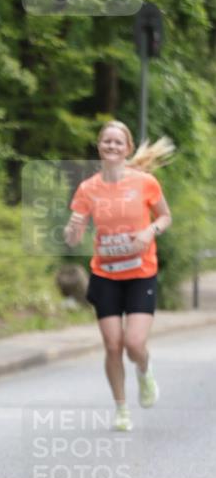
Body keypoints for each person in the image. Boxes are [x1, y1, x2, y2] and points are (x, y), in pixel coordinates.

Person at [63, 120, 173, 431]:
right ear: (100, 146)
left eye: (117, 142)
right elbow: (73, 239)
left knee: (134, 343)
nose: (111, 146)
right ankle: (121, 408)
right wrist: (72, 229)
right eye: (106, 141)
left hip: (140, 273)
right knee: (113, 345)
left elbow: (165, 217)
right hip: (105, 274)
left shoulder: (145, 182)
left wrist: (150, 231)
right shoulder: (88, 189)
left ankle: (144, 370)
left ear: (126, 149)